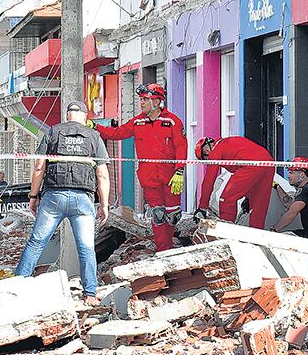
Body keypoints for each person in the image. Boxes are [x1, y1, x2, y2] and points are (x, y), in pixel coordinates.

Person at [16, 101, 110, 304]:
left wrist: (33, 196)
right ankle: (90, 294)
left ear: (67, 115)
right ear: (84, 117)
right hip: (83, 200)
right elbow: (102, 175)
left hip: (53, 198)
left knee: (36, 243)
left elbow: (39, 166)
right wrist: (104, 204)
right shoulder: (94, 137)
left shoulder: (52, 132)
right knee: (85, 248)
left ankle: (17, 288)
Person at [92, 83, 186, 251]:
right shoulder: (138, 122)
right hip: (148, 177)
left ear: (156, 102)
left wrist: (180, 170)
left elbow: (181, 146)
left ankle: (168, 246)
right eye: (141, 99)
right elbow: (117, 133)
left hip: (171, 177)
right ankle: (162, 250)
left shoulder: (172, 121)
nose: (141, 103)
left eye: (145, 100)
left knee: (172, 216)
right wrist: (95, 127)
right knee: (157, 215)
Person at [193, 136, 275, 229]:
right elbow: (248, 171)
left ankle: (227, 233)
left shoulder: (216, 150)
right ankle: (257, 238)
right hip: (269, 161)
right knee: (258, 206)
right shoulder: (229, 142)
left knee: (226, 199)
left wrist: (202, 207)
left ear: (206, 151)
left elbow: (209, 180)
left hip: (250, 164)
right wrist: (248, 196)